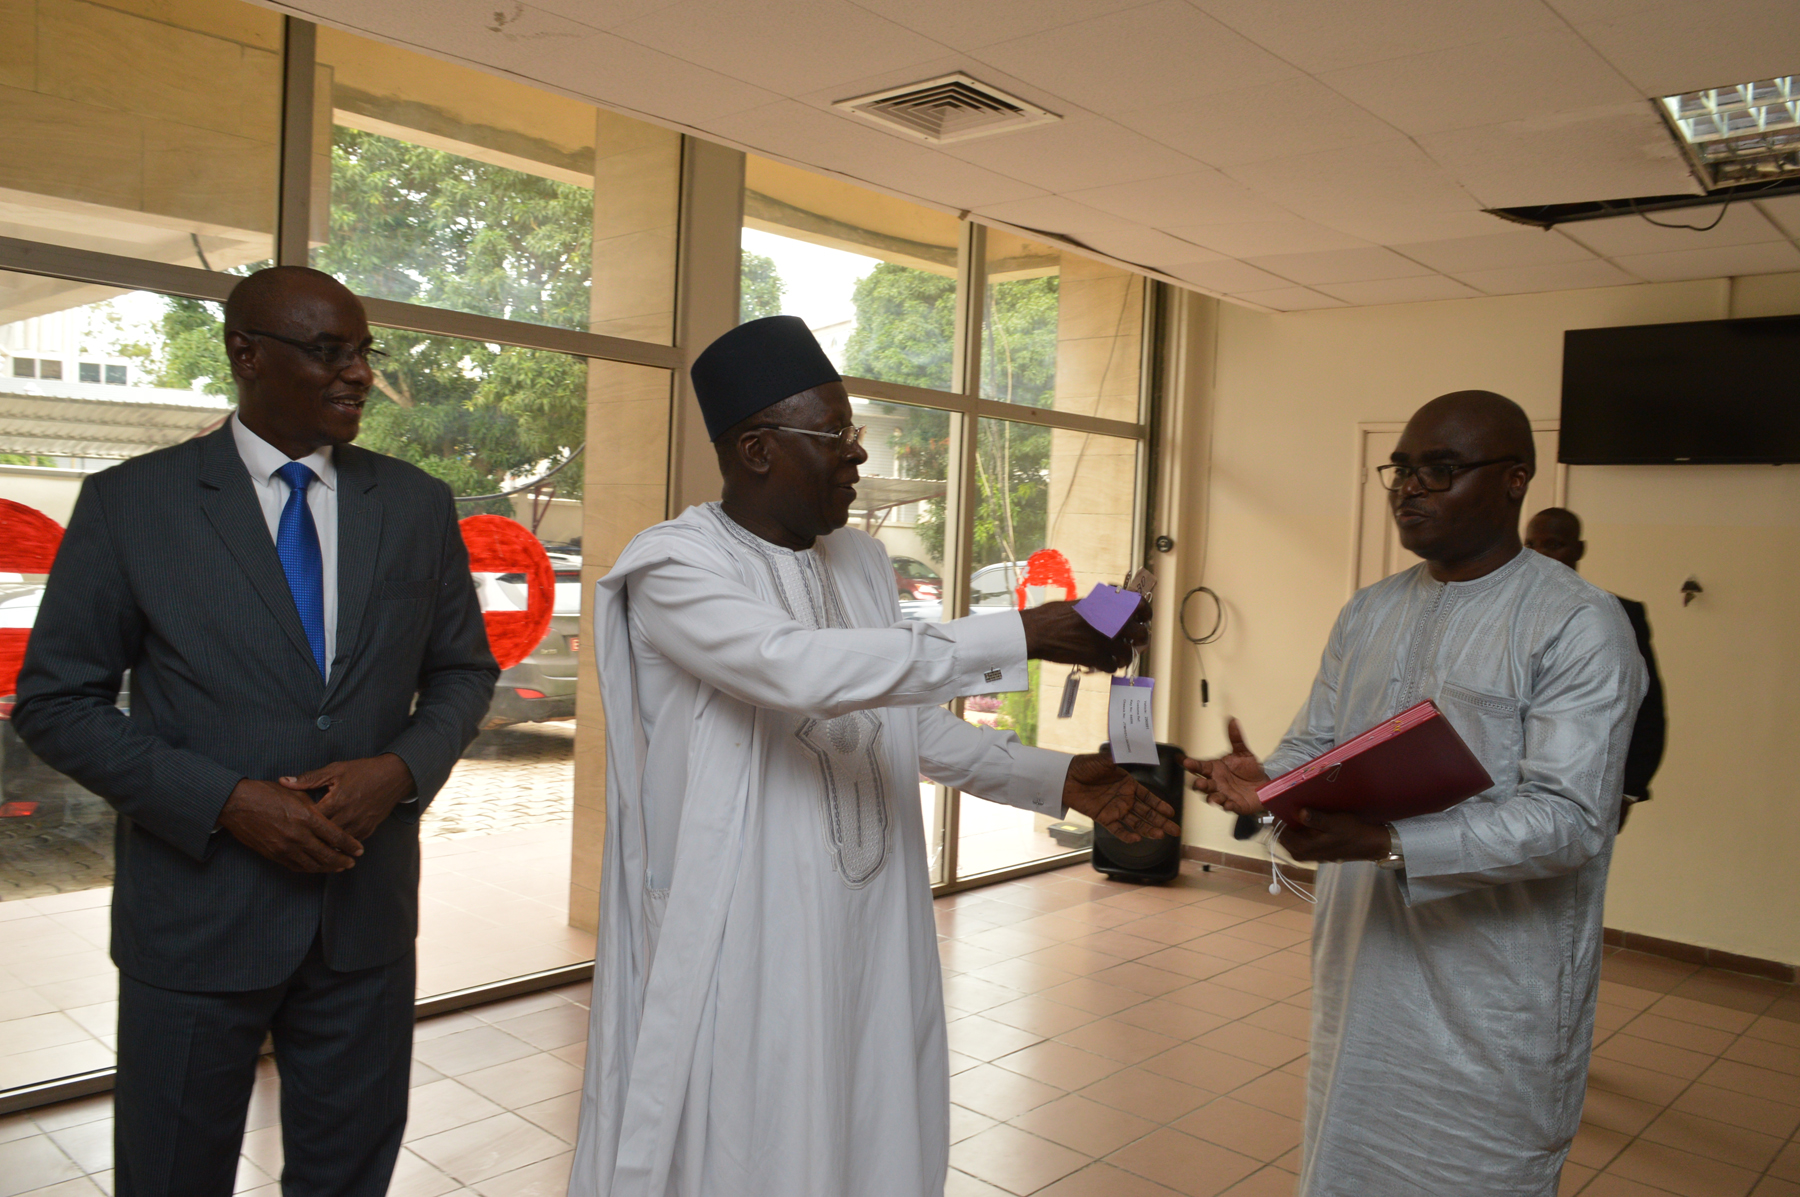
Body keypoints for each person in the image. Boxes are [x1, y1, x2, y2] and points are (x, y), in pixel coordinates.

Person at [569, 316, 1179, 1197]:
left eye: (853, 431)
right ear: (757, 449)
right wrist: (1025, 631)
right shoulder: (676, 566)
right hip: (750, 929)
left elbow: (908, 725)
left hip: (871, 920)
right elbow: (794, 668)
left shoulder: (858, 560)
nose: (857, 453)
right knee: (753, 1141)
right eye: (835, 435)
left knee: (867, 1121)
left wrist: (1056, 777)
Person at [13, 266, 498, 1197]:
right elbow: (56, 701)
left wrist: (399, 769)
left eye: (364, 352)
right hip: (196, 924)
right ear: (246, 354)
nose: (359, 373)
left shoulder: (415, 503)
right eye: (328, 352)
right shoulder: (131, 503)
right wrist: (225, 801)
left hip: (362, 924)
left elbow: (464, 672)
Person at [1186, 391, 1644, 1197]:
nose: (1409, 488)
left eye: (1440, 469)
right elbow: (1318, 742)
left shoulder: (1577, 623)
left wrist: (1387, 841)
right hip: (1365, 967)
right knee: (1349, 1164)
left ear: (1514, 479)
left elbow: (1571, 820)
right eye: (1400, 469)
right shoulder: (1371, 610)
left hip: (1490, 991)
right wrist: (1273, 783)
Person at [1525, 506, 1666, 828]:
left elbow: (1647, 710)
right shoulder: (1506, 614)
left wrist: (1627, 792)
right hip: (1508, 789)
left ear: (1578, 550)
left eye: (1553, 545)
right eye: (1530, 545)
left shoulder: (1617, 614)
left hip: (1585, 789)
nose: (1539, 556)